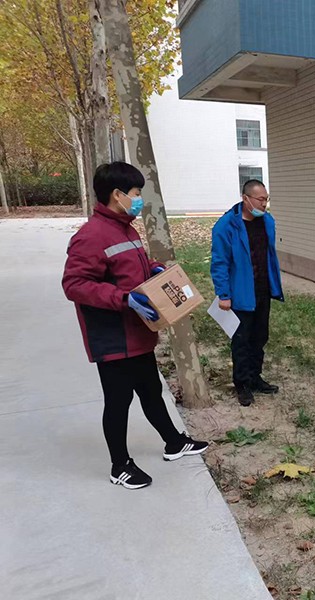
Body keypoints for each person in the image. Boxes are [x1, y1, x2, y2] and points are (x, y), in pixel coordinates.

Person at [62, 162, 208, 490]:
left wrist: (154, 269)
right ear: (117, 195)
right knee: (119, 400)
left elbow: (134, 265)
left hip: (138, 331)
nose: (139, 199)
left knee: (150, 390)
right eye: (136, 193)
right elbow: (74, 284)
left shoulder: (126, 228)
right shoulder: (90, 236)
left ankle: (174, 442)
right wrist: (123, 298)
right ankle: (120, 465)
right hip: (112, 336)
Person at [210, 179, 284, 407]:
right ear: (246, 199)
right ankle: (242, 384)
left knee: (260, 337)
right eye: (261, 200)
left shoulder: (267, 222)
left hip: (263, 290)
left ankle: (255, 377)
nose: (264, 204)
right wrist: (224, 294)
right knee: (241, 340)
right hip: (241, 294)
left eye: (266, 200)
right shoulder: (226, 226)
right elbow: (219, 262)